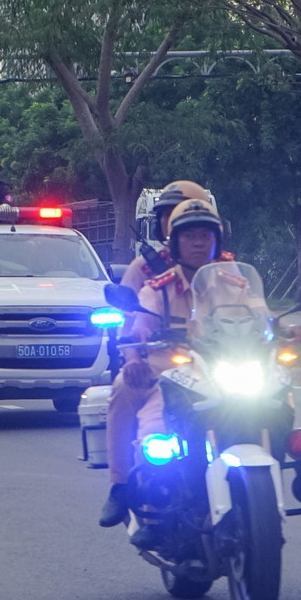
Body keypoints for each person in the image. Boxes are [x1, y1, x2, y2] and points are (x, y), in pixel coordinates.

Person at [98, 197, 226, 547]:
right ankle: (127, 489)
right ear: (172, 237)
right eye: (189, 235)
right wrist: (134, 357)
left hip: (221, 374)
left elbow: (259, 314)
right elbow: (136, 324)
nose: (199, 242)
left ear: (218, 238)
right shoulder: (156, 284)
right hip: (168, 376)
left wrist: (291, 331)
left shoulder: (232, 281)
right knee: (153, 433)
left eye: (206, 235)